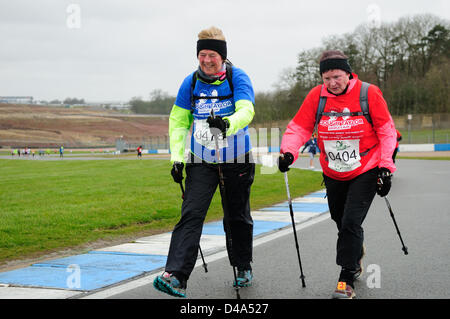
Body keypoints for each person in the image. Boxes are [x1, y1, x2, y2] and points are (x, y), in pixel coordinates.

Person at [277, 50, 397, 299]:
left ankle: (346, 278)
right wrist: (288, 152)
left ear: (348, 73)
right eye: (327, 78)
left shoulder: (368, 93)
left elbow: (386, 131)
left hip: (365, 167)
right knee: (340, 220)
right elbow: (299, 127)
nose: (332, 83)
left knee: (352, 222)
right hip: (333, 170)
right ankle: (355, 252)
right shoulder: (316, 96)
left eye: (337, 76)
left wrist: (385, 167)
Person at [153, 26, 256, 298]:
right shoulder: (190, 83)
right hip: (201, 160)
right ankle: (176, 276)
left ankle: (243, 265)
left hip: (237, 159)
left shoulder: (238, 78)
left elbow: (247, 110)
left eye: (212, 55)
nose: (207, 60)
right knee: (191, 213)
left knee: (236, 216)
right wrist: (177, 157)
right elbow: (178, 122)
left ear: (222, 56)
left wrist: (227, 123)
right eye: (202, 55)